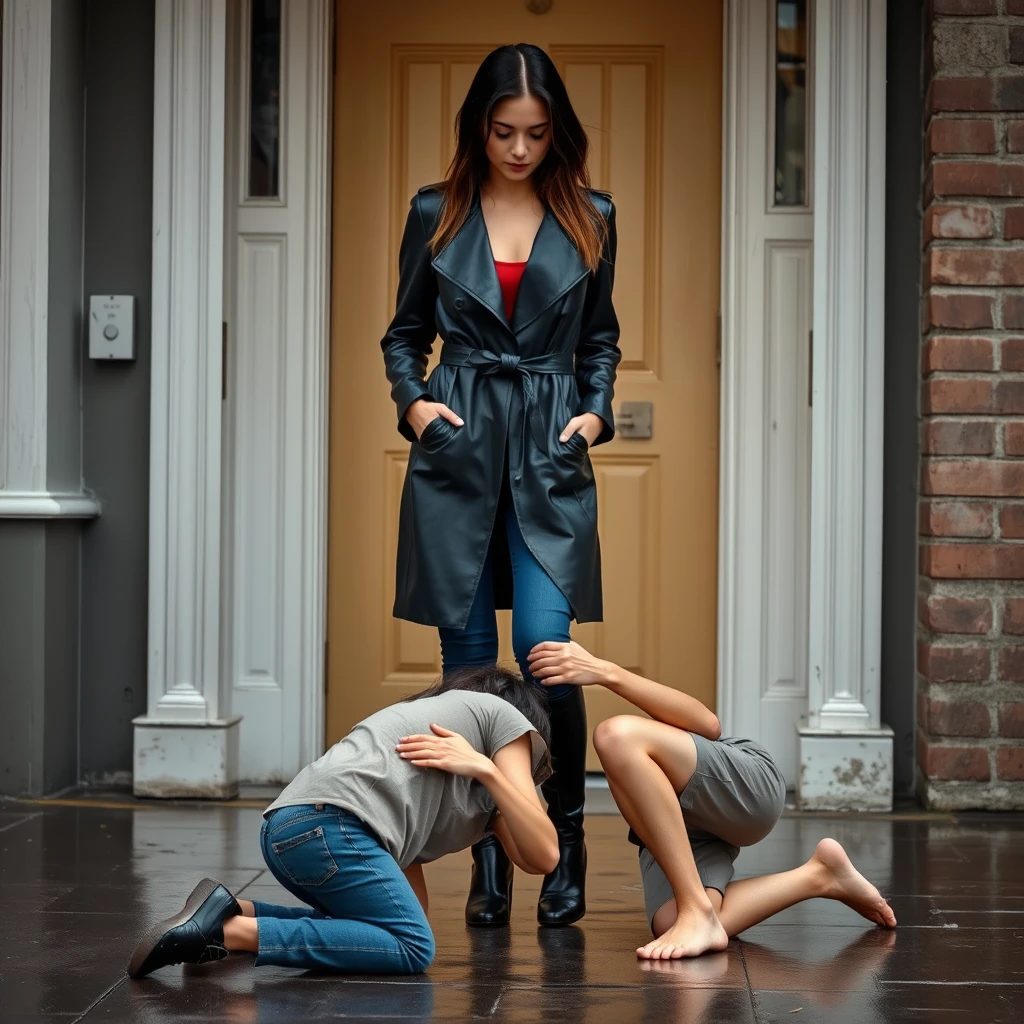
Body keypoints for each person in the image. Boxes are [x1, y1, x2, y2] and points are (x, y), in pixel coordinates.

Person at [381, 41, 620, 928]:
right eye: (503, 132)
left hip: (549, 455)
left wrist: (593, 412)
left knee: (551, 660)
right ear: (478, 128)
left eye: (536, 132)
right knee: (470, 668)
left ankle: (564, 842)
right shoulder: (435, 212)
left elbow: (600, 338)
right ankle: (488, 862)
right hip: (459, 449)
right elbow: (402, 334)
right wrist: (414, 407)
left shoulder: (592, 214)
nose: (519, 150)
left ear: (557, 132)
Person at [126, 668, 556, 978]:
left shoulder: (437, 775)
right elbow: (552, 852)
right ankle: (232, 932)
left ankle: (232, 911)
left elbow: (536, 859)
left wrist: (490, 786)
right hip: (333, 826)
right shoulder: (498, 715)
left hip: (289, 829)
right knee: (413, 949)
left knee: (384, 932)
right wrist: (490, 771)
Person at [527, 640, 899, 959]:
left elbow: (709, 725)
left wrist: (605, 671)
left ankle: (695, 910)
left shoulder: (660, 740)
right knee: (668, 925)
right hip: (686, 827)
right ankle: (819, 876)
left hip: (743, 789)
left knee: (614, 735)